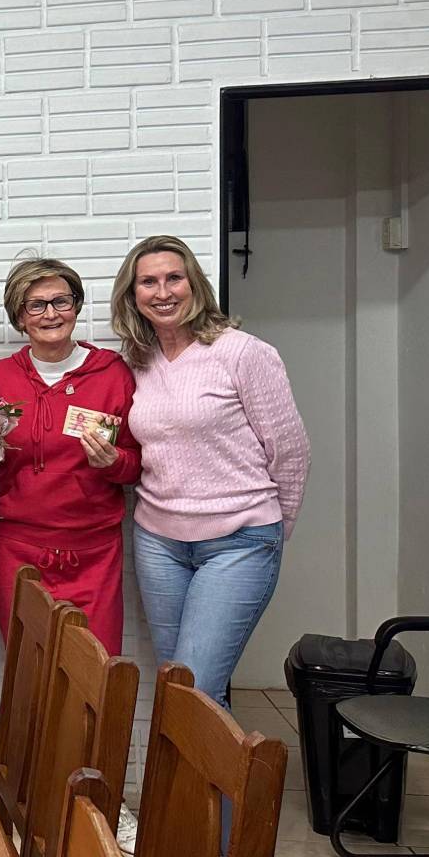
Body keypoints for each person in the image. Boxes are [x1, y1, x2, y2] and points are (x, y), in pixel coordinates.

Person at [112, 235, 309, 708]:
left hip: (238, 541)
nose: (163, 292)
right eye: (148, 282)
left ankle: (224, 786)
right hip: (159, 542)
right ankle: (199, 787)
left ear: (194, 284)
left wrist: (275, 528)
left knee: (195, 692)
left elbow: (291, 451)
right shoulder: (137, 361)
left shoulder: (244, 353)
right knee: (178, 686)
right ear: (132, 295)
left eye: (174, 278)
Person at [0, 256, 142, 656]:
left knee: (96, 673)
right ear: (19, 317)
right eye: (36, 305)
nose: (51, 314)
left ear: (77, 306)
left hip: (93, 551)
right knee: (29, 672)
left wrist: (112, 462)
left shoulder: (113, 374)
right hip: (18, 551)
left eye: (61, 301)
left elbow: (135, 465)